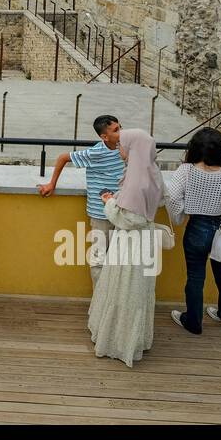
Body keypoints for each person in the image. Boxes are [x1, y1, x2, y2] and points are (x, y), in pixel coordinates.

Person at [86, 128, 168, 368]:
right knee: (138, 291)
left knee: (124, 289)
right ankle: (135, 338)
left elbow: (128, 219)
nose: (120, 149)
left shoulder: (135, 180)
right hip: (146, 241)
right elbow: (160, 201)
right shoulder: (152, 172)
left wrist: (108, 202)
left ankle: (117, 341)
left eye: (123, 145)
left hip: (130, 242)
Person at [166, 127, 221, 333]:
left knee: (195, 276)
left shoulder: (186, 171)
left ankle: (193, 321)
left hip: (197, 227)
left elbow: (172, 197)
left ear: (194, 149)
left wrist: (180, 216)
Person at [39, 115, 125, 286]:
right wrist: (51, 184)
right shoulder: (96, 152)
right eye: (116, 130)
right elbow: (63, 157)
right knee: (99, 258)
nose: (121, 132)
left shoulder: (123, 148)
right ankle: (99, 302)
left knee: (119, 259)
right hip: (100, 214)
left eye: (120, 127)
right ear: (104, 137)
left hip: (121, 211)